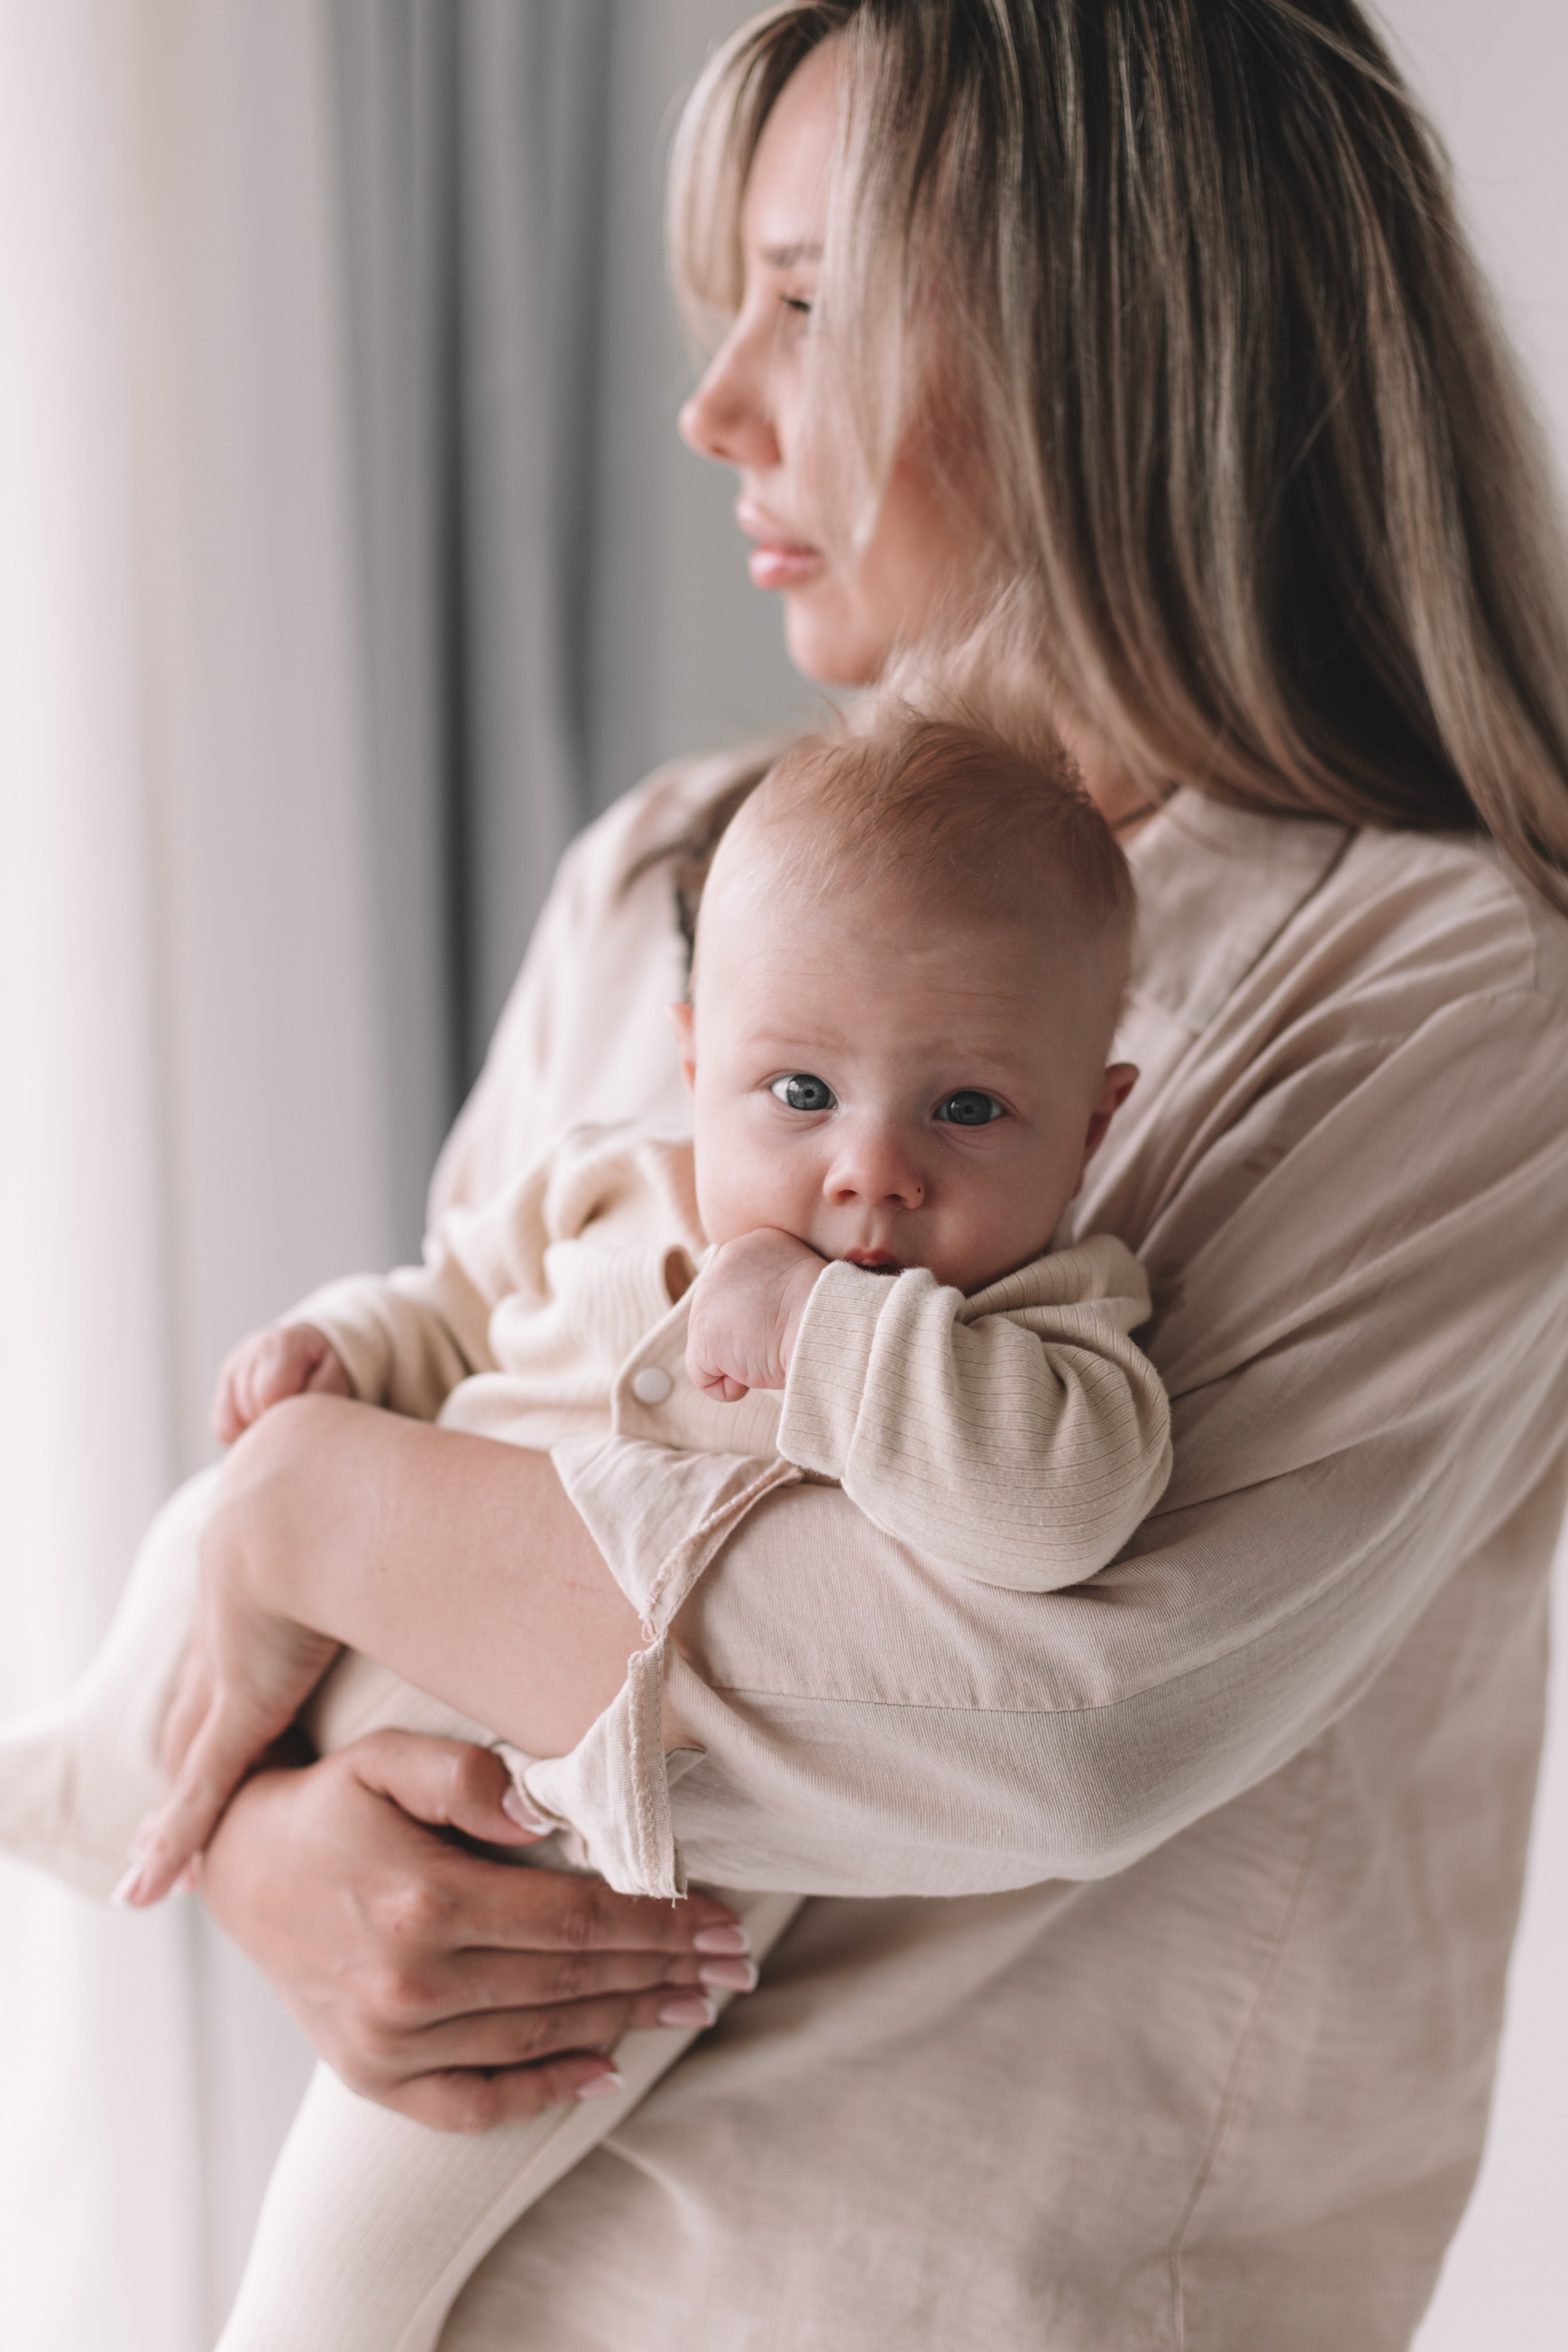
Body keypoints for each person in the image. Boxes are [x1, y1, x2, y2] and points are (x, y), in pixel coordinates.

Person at [144, 4, 1568, 2345]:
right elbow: (378, 1502)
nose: (718, 403)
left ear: (1114, 338)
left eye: (810, 303)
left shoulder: (1438, 982)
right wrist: (286, 1845)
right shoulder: (660, 891)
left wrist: (319, 1521)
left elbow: (1064, 1703)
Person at [0, 704, 1172, 2352]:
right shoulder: (614, 1184)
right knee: (192, 1557)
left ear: (1095, 1121)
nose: (869, 1176)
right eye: (799, 1090)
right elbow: (455, 1305)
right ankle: (81, 1780)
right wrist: (344, 1349)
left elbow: (1069, 1499)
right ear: (694, 1059)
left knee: (343, 2255)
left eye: (969, 1111)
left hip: (560, 1861)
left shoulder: (1044, 1322)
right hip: (358, 1634)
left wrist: (821, 1334)